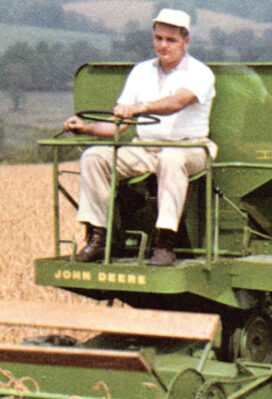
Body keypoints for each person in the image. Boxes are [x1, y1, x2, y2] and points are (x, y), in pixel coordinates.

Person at [62, 8, 216, 267]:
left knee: (172, 159)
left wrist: (140, 108)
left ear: (186, 41)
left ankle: (165, 243)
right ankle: (99, 237)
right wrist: (85, 127)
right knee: (95, 157)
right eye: (159, 39)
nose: (163, 45)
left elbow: (176, 102)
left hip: (190, 148)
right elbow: (117, 126)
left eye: (171, 40)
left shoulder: (200, 73)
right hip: (145, 148)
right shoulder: (141, 72)